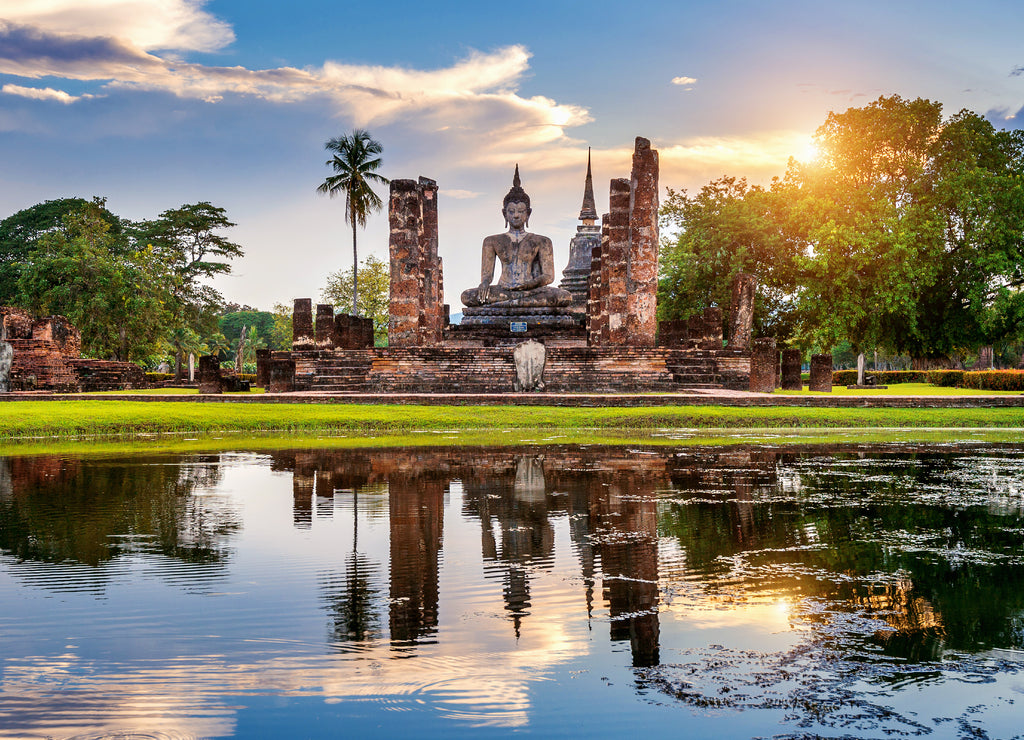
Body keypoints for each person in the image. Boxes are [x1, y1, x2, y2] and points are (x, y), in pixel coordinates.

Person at [461, 166, 572, 308]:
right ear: (504, 213)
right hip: (503, 290)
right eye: (511, 211)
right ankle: (512, 303)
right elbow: (487, 276)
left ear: (528, 213)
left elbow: (548, 276)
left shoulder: (542, 241)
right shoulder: (492, 241)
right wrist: (484, 284)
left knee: (563, 296)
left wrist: (529, 285)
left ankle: (506, 305)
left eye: (520, 211)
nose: (516, 215)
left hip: (532, 290)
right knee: (467, 296)